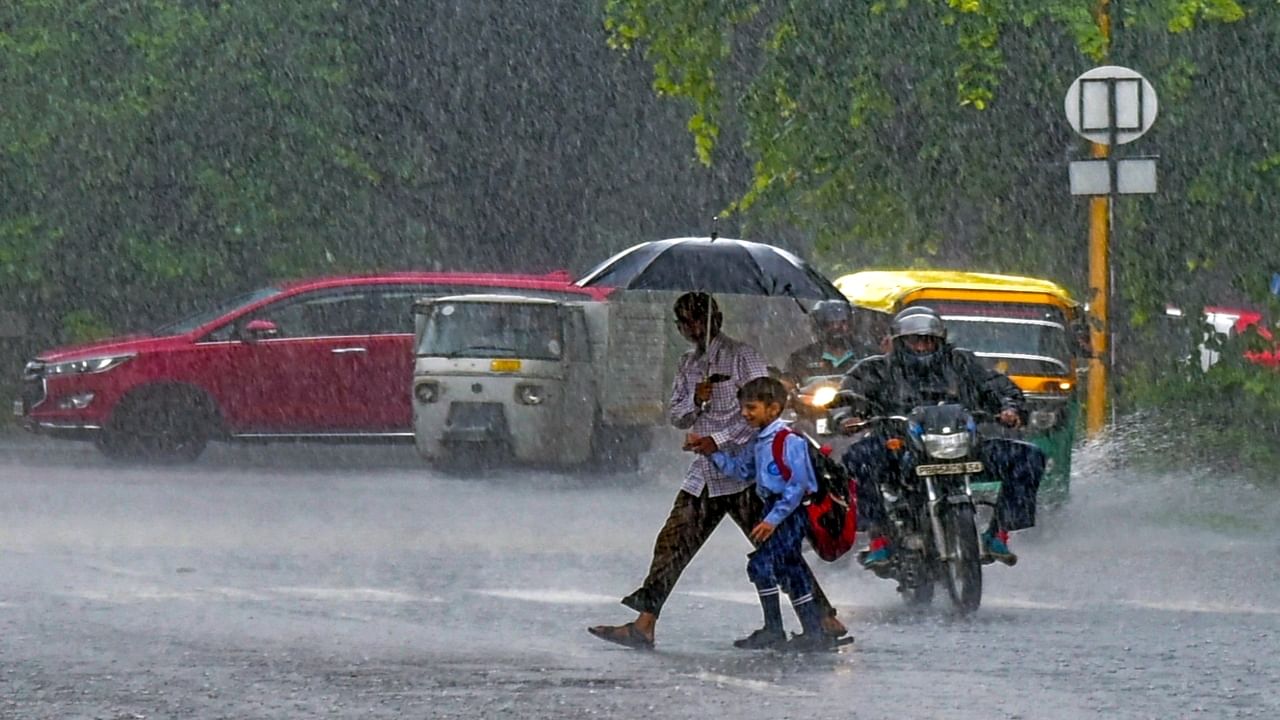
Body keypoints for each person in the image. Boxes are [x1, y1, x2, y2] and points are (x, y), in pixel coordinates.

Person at [587, 292, 845, 650]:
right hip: (708, 474)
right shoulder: (688, 365)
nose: (693, 328)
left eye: (698, 319)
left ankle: (823, 618)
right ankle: (645, 623)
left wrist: (720, 440)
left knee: (777, 549)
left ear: (716, 319)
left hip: (749, 474)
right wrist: (698, 398)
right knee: (672, 545)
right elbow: (677, 415)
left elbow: (765, 410)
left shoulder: (745, 357)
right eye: (685, 323)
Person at [839, 306, 1045, 568]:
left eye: (928, 340)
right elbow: (846, 397)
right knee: (856, 459)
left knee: (1028, 457)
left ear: (941, 340)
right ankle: (878, 538)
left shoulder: (962, 362)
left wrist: (1010, 408)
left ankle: (999, 533)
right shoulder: (876, 369)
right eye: (915, 340)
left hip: (962, 445)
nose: (922, 347)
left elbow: (999, 386)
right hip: (899, 447)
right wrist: (846, 418)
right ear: (899, 342)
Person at [691, 376, 843, 652]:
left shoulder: (789, 440)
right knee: (790, 569)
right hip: (773, 507)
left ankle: (778, 629)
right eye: (743, 408)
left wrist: (773, 520)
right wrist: (712, 453)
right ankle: (811, 631)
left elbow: (797, 486)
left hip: (790, 513)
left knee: (761, 566)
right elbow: (742, 471)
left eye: (751, 408)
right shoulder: (759, 441)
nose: (745, 414)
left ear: (773, 409)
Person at [782, 300, 882, 387]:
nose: (836, 327)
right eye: (829, 323)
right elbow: (788, 387)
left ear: (850, 323)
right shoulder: (801, 358)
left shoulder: (869, 355)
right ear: (819, 326)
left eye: (842, 322)